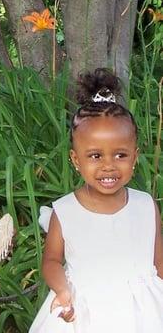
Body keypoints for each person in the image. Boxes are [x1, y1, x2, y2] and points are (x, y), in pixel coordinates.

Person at [29, 68, 163, 332]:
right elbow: (52, 261)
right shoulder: (66, 210)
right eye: (95, 156)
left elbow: (159, 262)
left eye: (120, 155)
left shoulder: (145, 204)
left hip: (142, 313)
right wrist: (62, 291)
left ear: (134, 157)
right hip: (85, 312)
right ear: (76, 160)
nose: (108, 166)